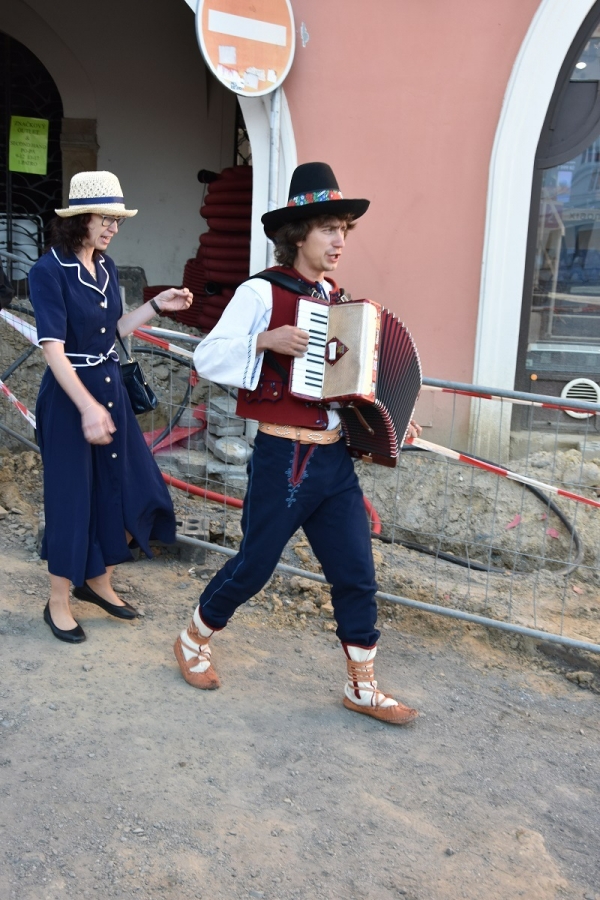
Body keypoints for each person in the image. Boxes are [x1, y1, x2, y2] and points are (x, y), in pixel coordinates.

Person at [174, 162, 420, 725]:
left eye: (343, 230)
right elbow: (207, 356)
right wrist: (265, 339)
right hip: (284, 455)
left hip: (333, 457)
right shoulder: (261, 291)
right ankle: (193, 638)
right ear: (297, 235)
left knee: (356, 571)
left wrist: (392, 420)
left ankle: (361, 687)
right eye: (328, 228)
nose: (339, 241)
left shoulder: (338, 299)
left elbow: (347, 386)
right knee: (256, 565)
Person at [28, 170, 193, 644]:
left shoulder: (105, 266)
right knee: (71, 499)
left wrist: (156, 306)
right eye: (106, 218)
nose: (113, 227)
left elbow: (111, 330)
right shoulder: (48, 271)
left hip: (110, 392)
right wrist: (84, 406)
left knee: (135, 489)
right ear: (81, 217)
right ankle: (59, 600)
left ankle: (97, 579)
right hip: (69, 400)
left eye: (118, 220)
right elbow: (54, 349)